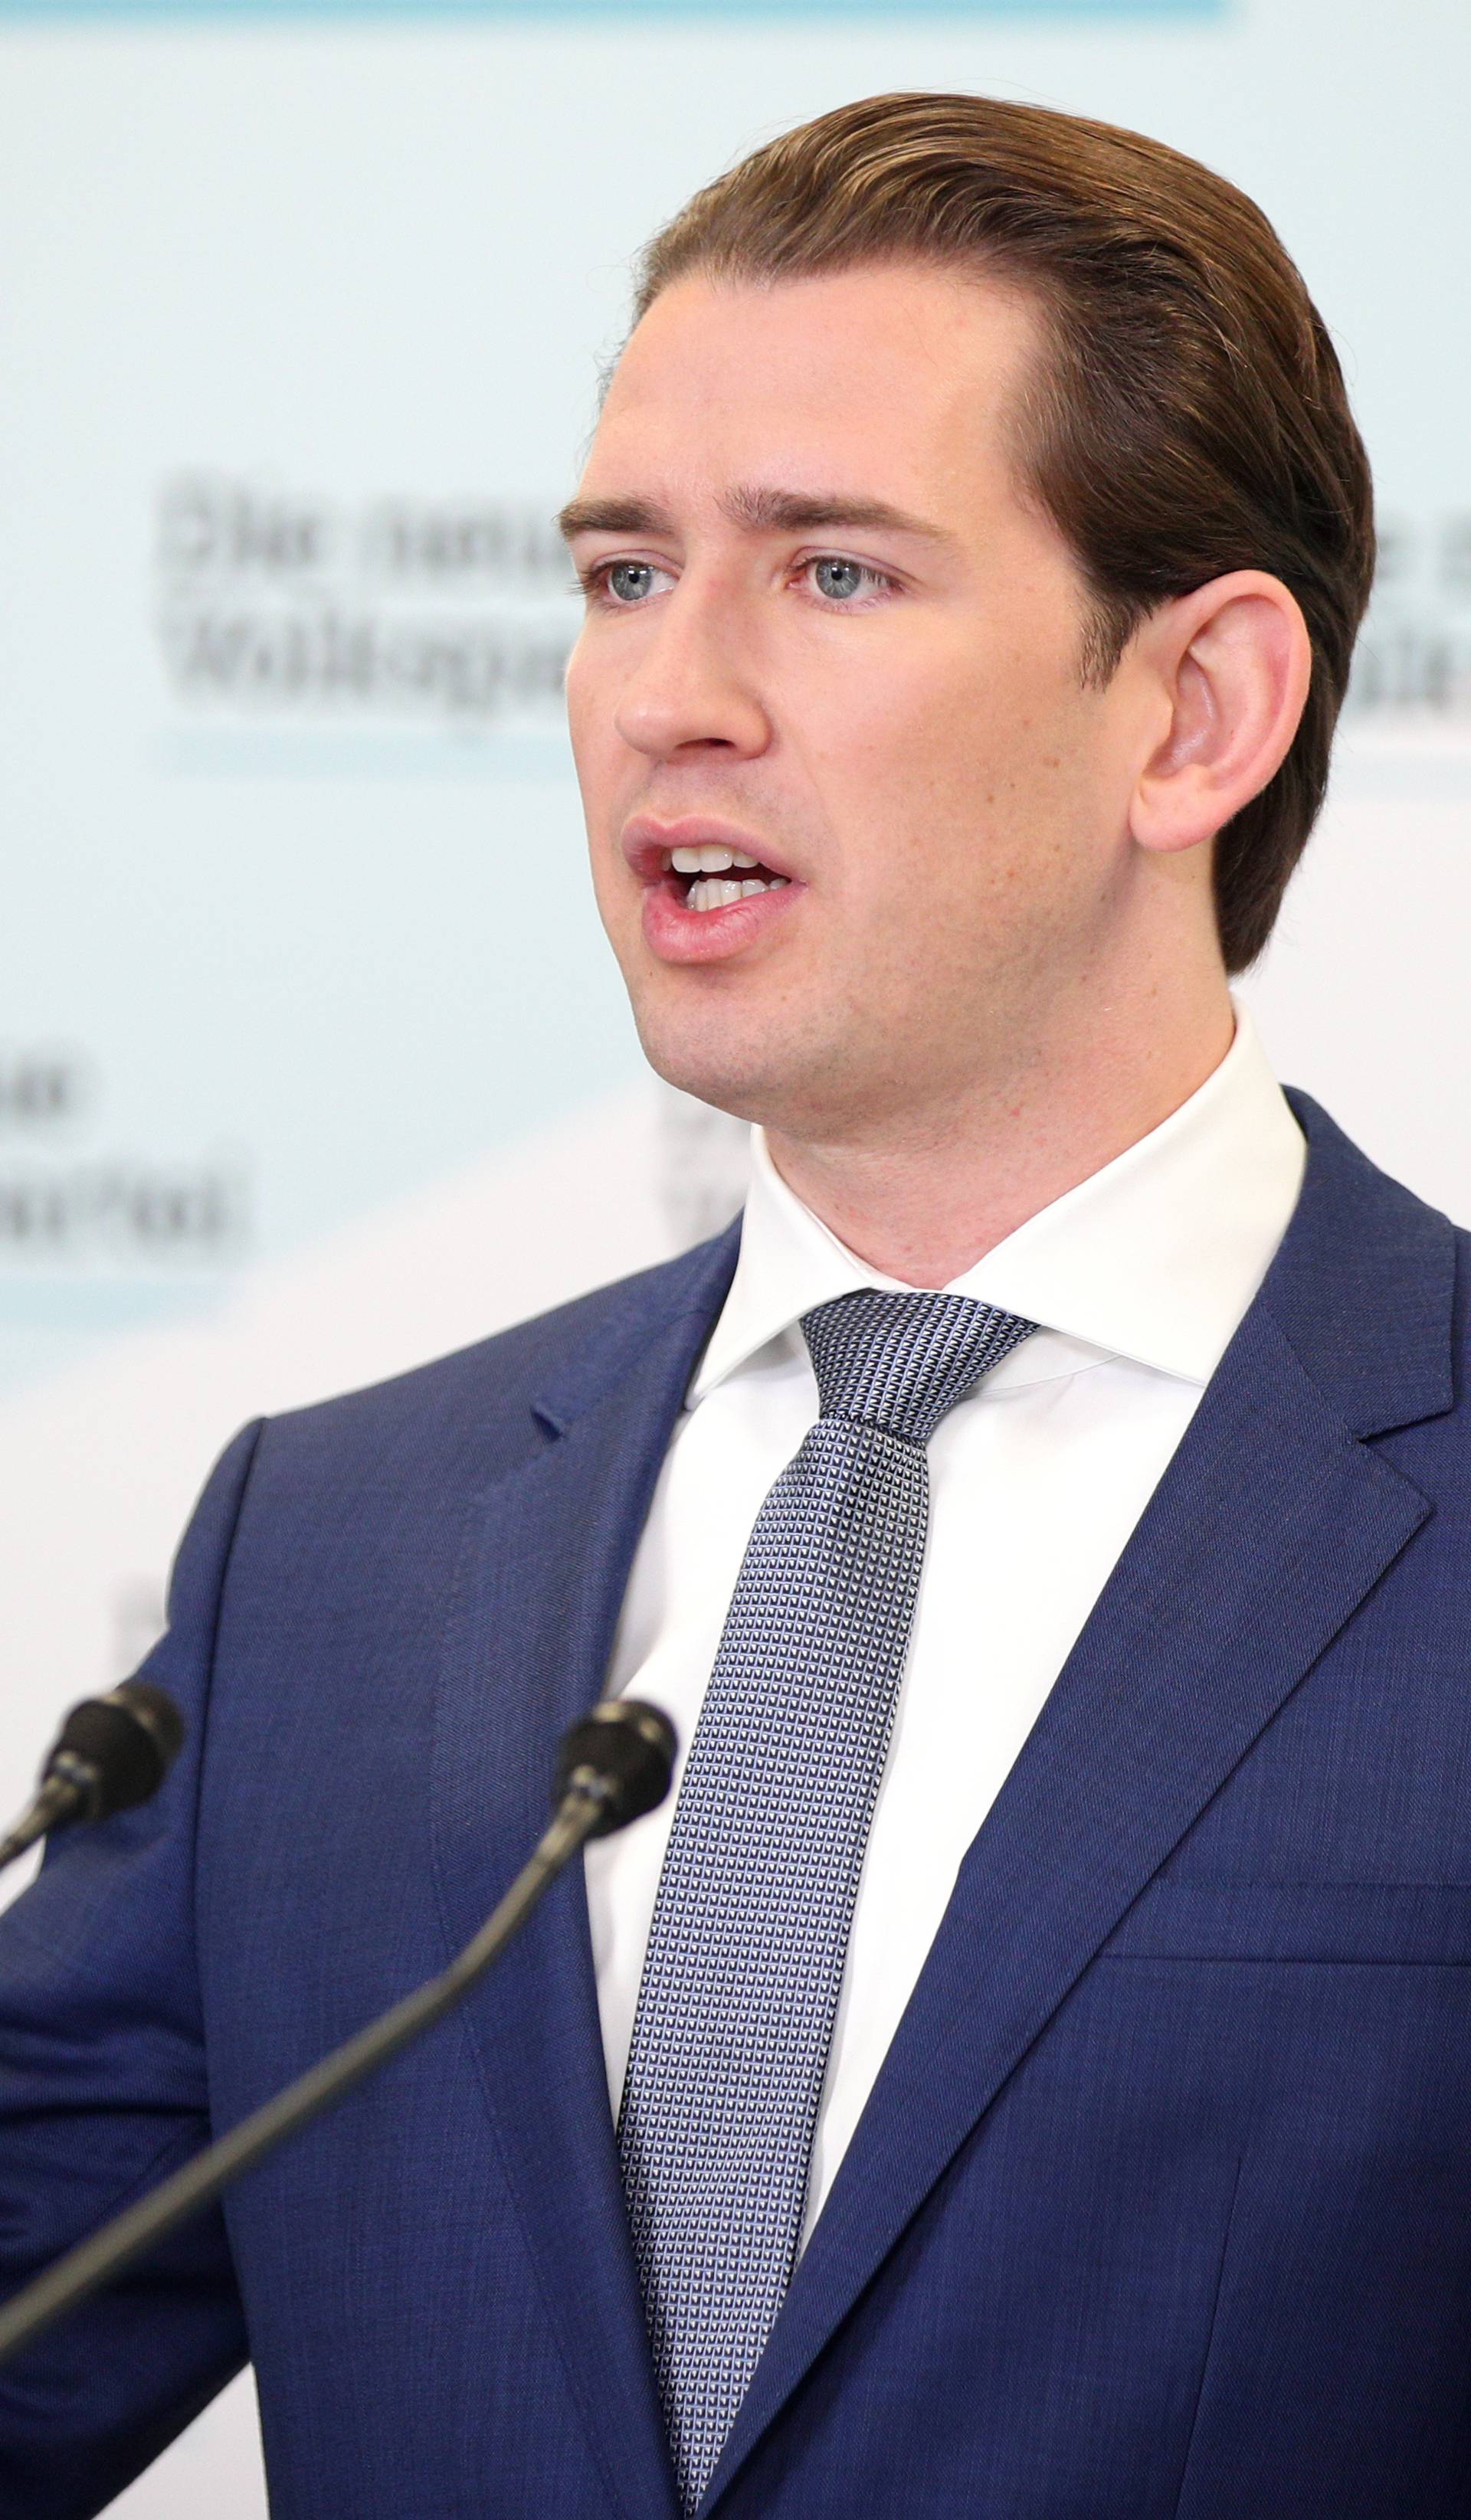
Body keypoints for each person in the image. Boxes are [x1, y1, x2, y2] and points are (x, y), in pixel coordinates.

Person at [2, 90, 1467, 2520]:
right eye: (620, 576)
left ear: (1196, 708)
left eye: (834, 575)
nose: (668, 695)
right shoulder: (340, 1553)